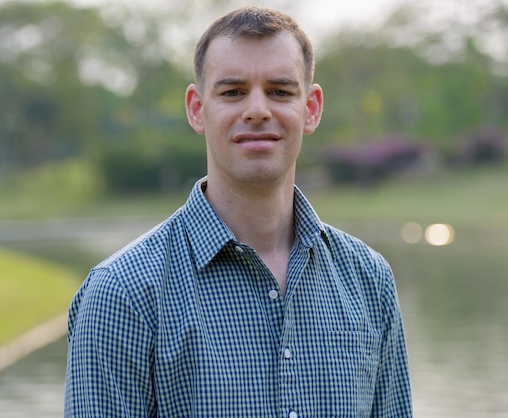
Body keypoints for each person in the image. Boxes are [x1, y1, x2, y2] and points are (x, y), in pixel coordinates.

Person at [65, 6, 412, 417]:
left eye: (280, 91)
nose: (258, 110)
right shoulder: (121, 295)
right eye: (232, 92)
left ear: (312, 108)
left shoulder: (369, 280)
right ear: (197, 108)